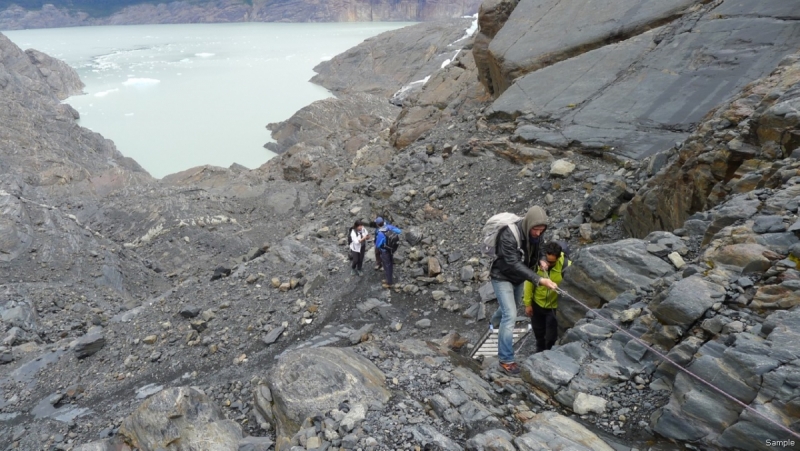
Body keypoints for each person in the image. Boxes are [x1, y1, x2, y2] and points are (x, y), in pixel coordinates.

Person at [489, 205, 558, 376]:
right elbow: (513, 263)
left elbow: (541, 247)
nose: (538, 233)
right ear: (528, 224)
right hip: (502, 276)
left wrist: (542, 260)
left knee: (508, 308)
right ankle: (506, 360)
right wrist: (539, 280)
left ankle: (493, 323)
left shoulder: (537, 235)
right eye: (535, 229)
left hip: (519, 278)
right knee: (511, 315)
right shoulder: (509, 234)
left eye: (541, 230)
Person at [523, 241, 571, 353]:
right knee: (539, 333)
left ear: (559, 258)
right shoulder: (538, 264)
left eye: (552, 262)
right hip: (537, 304)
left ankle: (548, 354)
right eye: (547, 261)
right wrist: (528, 304)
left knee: (550, 337)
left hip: (554, 307)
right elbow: (529, 283)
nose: (547, 265)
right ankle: (539, 351)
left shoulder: (566, 266)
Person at [374, 216, 401, 289]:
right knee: (390, 264)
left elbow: (377, 245)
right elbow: (399, 231)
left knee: (387, 266)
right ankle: (389, 279)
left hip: (385, 252)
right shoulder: (389, 227)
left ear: (377, 224)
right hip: (392, 249)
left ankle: (389, 283)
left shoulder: (380, 233)